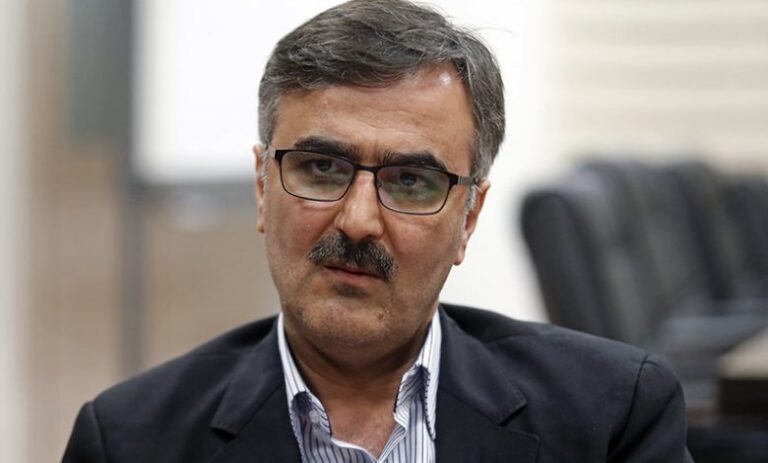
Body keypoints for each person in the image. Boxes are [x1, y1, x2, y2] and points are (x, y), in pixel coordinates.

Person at [63, 1, 694, 461]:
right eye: (320, 168)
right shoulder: (129, 441)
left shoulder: (612, 417)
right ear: (262, 187)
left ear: (468, 218)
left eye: (411, 181)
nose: (359, 220)